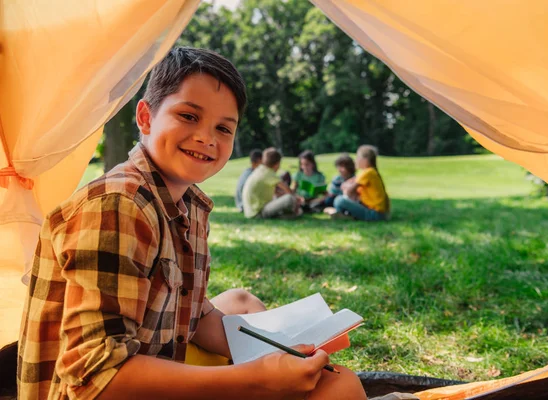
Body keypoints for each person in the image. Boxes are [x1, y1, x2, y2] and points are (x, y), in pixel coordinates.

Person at [18, 47, 366, 400]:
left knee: (240, 302)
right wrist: (256, 378)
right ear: (145, 117)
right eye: (188, 116)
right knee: (339, 385)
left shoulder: (189, 204)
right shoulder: (118, 206)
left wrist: (282, 349)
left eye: (223, 128)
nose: (207, 137)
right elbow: (93, 379)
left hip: (154, 357)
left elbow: (193, 315)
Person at [327, 145, 390, 221]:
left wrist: (346, 187)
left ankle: (344, 216)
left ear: (365, 159)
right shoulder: (369, 172)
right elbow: (350, 184)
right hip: (376, 213)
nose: (356, 161)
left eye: (357, 158)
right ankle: (345, 215)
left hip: (374, 214)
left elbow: (349, 190)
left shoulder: (368, 172)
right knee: (343, 199)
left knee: (339, 200)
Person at [242, 147, 303, 219]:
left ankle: (289, 213)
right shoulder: (269, 173)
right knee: (289, 198)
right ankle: (290, 214)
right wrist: (297, 199)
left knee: (280, 197)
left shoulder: (260, 169)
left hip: (250, 211)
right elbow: (289, 192)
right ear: (277, 164)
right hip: (258, 212)